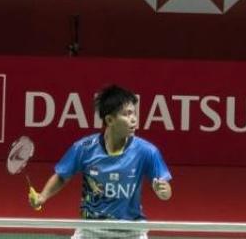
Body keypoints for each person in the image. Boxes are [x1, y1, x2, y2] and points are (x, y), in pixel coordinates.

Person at [29, 85, 172, 232]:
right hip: (91, 230)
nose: (134, 119)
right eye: (127, 114)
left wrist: (163, 192)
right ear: (110, 120)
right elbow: (61, 177)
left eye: (134, 113)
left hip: (131, 230)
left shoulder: (146, 151)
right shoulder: (84, 148)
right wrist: (43, 196)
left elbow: (166, 191)